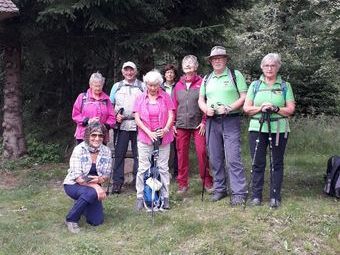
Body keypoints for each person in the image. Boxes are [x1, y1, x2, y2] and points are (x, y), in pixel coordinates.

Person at [243, 53, 295, 208]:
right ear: (262, 67)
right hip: (257, 128)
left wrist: (275, 108)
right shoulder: (255, 85)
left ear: (278, 67)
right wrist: (261, 108)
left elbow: (290, 109)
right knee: (257, 163)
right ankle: (256, 196)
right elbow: (246, 108)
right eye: (266, 65)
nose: (269, 68)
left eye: (273, 65)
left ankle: (275, 196)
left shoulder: (285, 85)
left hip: (279, 129)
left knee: (276, 163)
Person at [198, 46, 247, 205]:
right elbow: (201, 99)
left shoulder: (235, 75)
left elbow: (244, 97)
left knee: (233, 157)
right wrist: (206, 110)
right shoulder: (206, 78)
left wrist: (229, 108)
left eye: (220, 58)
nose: (217, 61)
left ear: (226, 59)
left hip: (230, 119)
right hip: (212, 121)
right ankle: (220, 189)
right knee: (215, 157)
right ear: (211, 61)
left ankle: (239, 192)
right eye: (214, 59)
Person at [133, 70, 174, 211]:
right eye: (150, 85)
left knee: (163, 167)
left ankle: (165, 196)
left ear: (159, 84)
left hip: (163, 137)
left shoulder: (166, 97)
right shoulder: (140, 97)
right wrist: (148, 132)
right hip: (145, 136)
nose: (153, 88)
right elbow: (137, 118)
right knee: (143, 168)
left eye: (156, 85)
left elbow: (171, 114)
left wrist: (166, 129)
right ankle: (140, 196)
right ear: (146, 84)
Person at [173, 55, 213, 194]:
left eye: (191, 65)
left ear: (196, 67)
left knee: (202, 152)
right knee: (181, 155)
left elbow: (207, 103)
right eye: (186, 65)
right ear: (183, 68)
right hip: (181, 125)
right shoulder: (178, 85)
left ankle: (207, 181)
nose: (189, 67)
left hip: (198, 125)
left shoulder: (203, 83)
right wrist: (173, 123)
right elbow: (174, 105)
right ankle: (182, 184)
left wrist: (204, 122)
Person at [63, 122, 112, 233]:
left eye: (100, 135)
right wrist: (97, 186)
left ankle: (83, 204)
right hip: (73, 184)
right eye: (93, 135)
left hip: (92, 188)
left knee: (97, 221)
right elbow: (78, 177)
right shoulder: (79, 149)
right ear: (87, 136)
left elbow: (106, 174)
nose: (97, 138)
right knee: (90, 193)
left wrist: (100, 180)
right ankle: (71, 219)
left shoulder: (106, 151)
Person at [109, 61, 145, 194]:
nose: (129, 73)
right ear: (122, 72)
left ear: (135, 71)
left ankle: (138, 182)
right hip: (122, 125)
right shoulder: (116, 86)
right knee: (119, 154)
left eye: (131, 70)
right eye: (126, 70)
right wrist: (115, 115)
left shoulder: (142, 86)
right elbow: (110, 105)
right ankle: (117, 183)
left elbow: (147, 103)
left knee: (139, 155)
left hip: (138, 125)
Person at [72, 72, 115, 144]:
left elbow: (112, 118)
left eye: (100, 86)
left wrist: (104, 125)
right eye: (96, 86)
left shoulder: (106, 100)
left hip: (101, 136)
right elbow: (75, 115)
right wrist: (88, 121)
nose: (98, 88)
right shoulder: (82, 97)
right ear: (90, 85)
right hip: (83, 135)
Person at [161, 64, 179, 178]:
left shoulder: (178, 86)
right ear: (164, 74)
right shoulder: (159, 87)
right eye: (167, 72)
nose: (169, 74)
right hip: (163, 120)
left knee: (176, 147)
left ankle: (177, 171)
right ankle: (163, 170)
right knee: (163, 146)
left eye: (172, 72)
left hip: (176, 120)